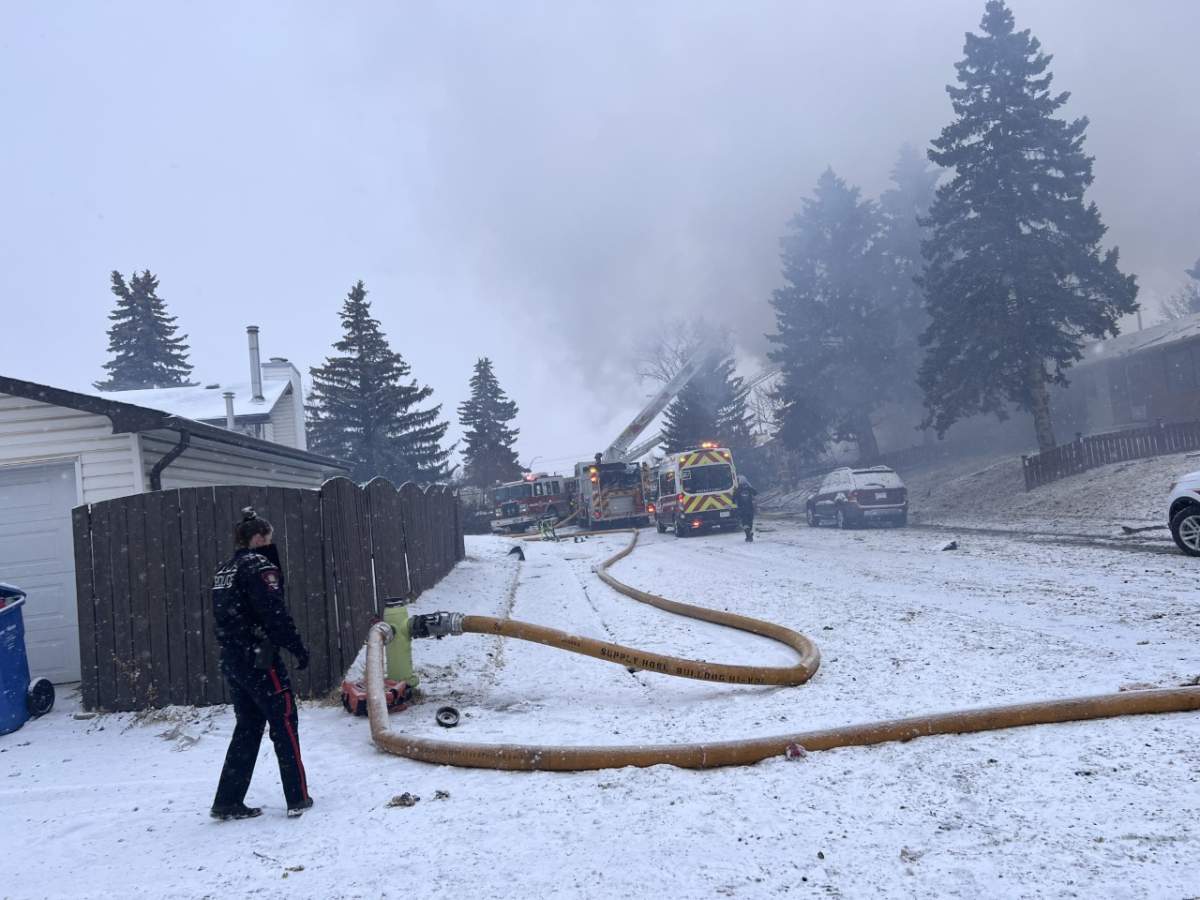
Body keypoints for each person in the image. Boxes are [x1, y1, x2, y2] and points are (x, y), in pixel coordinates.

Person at [210, 508, 313, 821]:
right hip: (259, 658)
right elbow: (274, 613)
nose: (271, 544)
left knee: (248, 726)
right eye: (268, 538)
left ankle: (227, 800)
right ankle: (297, 797)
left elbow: (225, 615)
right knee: (284, 723)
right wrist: (296, 647)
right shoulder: (259, 567)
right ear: (258, 537)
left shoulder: (224, 570)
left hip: (232, 658)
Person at [734, 475, 757, 542]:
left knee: (744, 523)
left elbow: (733, 499)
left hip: (742, 510)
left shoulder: (738, 490)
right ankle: (750, 533)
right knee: (750, 522)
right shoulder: (749, 489)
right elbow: (755, 493)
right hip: (750, 509)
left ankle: (748, 535)